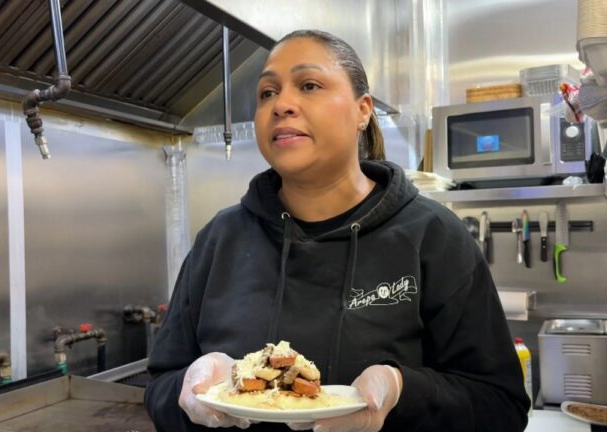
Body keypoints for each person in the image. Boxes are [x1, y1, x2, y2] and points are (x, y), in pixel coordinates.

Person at [145, 29, 530, 432]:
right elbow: (160, 388)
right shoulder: (220, 239)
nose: (282, 105)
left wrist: (403, 390)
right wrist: (189, 393)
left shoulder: (432, 236)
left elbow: (499, 406)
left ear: (363, 110)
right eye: (266, 93)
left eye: (309, 85)